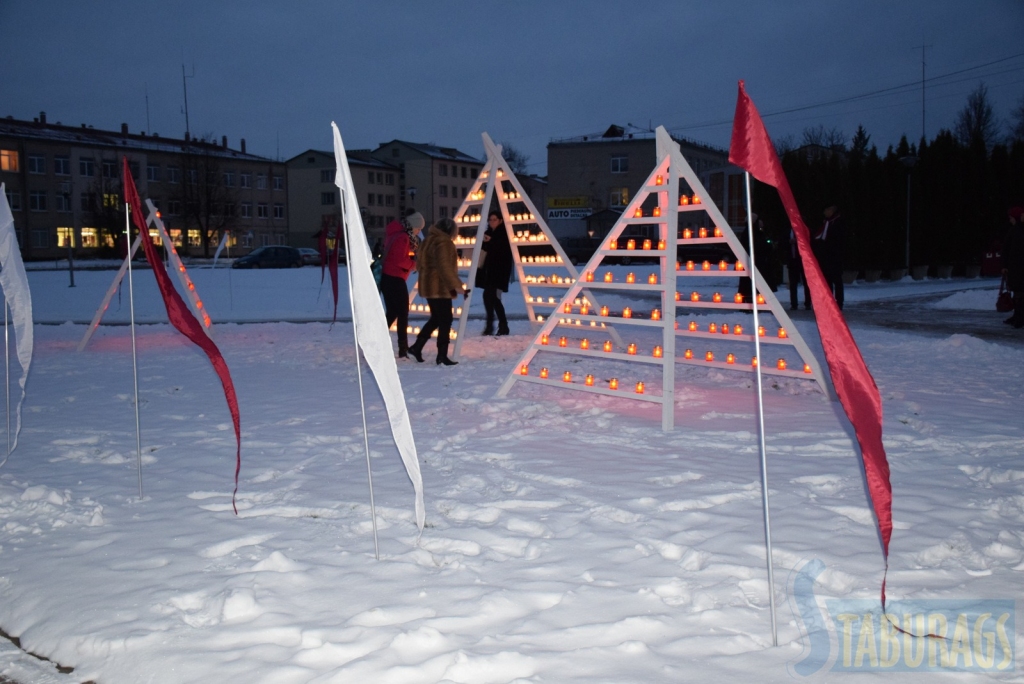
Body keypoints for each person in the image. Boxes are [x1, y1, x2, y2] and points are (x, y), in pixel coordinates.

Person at [408, 218, 466, 365]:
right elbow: (444, 267)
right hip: (439, 287)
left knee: (436, 318)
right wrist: (457, 286)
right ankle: (441, 355)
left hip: (428, 286)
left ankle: (417, 347)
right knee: (446, 319)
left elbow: (419, 263)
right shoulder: (444, 242)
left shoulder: (428, 240)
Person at [380, 212, 424, 358]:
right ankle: (403, 349)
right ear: (412, 226)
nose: (418, 231)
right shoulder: (403, 237)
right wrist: (414, 265)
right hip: (395, 279)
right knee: (403, 314)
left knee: (392, 312)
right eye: (418, 228)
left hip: (388, 278)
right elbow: (400, 260)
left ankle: (376, 341)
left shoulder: (395, 234)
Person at [475, 210, 513, 335]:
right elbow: (485, 250)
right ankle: (495, 325)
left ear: (500, 220)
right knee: (489, 297)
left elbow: (502, 250)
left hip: (499, 271)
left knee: (493, 297)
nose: (492, 222)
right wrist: (485, 242)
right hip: (489, 271)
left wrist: (490, 241)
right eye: (490, 220)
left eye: (494, 219)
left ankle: (500, 325)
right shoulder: (487, 233)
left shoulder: (504, 233)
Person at [812, 204, 845, 309]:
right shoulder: (825, 223)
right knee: (827, 281)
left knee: (837, 281)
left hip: (835, 257)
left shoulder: (838, 222)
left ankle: (839, 303)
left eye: (826, 210)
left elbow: (838, 240)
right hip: (826, 257)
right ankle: (830, 302)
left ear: (831, 211)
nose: (824, 213)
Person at [1003, 206, 1024, 328]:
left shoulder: (1016, 231)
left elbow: (1008, 249)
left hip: (1017, 268)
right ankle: (1018, 316)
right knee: (1018, 293)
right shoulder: (1015, 230)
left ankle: (1019, 318)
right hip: (1016, 268)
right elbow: (1007, 249)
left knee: (1019, 293)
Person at [787, 228, 810, 310]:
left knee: (806, 283)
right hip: (792, 260)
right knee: (793, 283)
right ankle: (794, 303)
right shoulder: (788, 230)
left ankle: (808, 303)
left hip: (802, 260)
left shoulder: (803, 229)